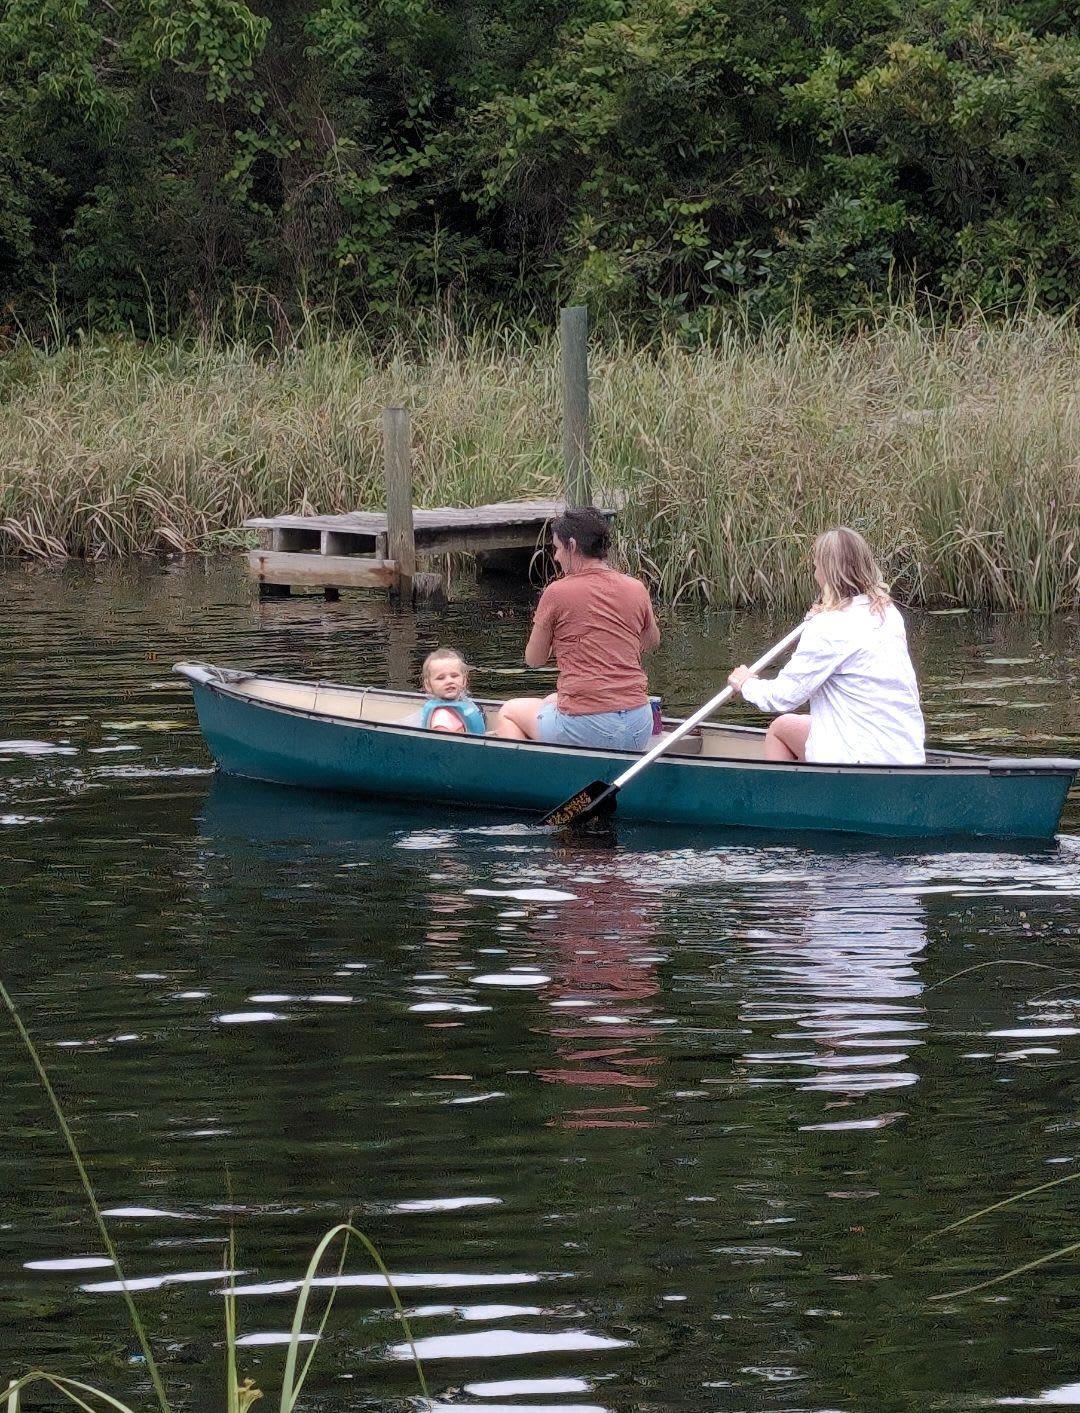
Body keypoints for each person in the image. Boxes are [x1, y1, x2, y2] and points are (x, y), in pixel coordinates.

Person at [726, 527, 925, 765]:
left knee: (779, 727)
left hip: (860, 759)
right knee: (784, 726)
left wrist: (747, 684)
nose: (815, 573)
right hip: (906, 755)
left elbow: (784, 697)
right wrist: (821, 617)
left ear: (827, 572)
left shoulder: (827, 626)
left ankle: (789, 801)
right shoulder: (887, 613)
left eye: (817, 566)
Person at [494, 507, 661, 750]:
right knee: (552, 699)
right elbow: (651, 642)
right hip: (638, 724)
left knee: (509, 711)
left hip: (587, 728)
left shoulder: (556, 592)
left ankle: (529, 778)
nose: (556, 556)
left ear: (572, 545)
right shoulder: (636, 587)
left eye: (557, 548)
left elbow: (534, 659)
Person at [416, 648, 487, 735]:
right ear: (428, 685)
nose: (449, 681)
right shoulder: (441, 720)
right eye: (441, 678)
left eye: (454, 676)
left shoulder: (463, 703)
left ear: (464, 680)